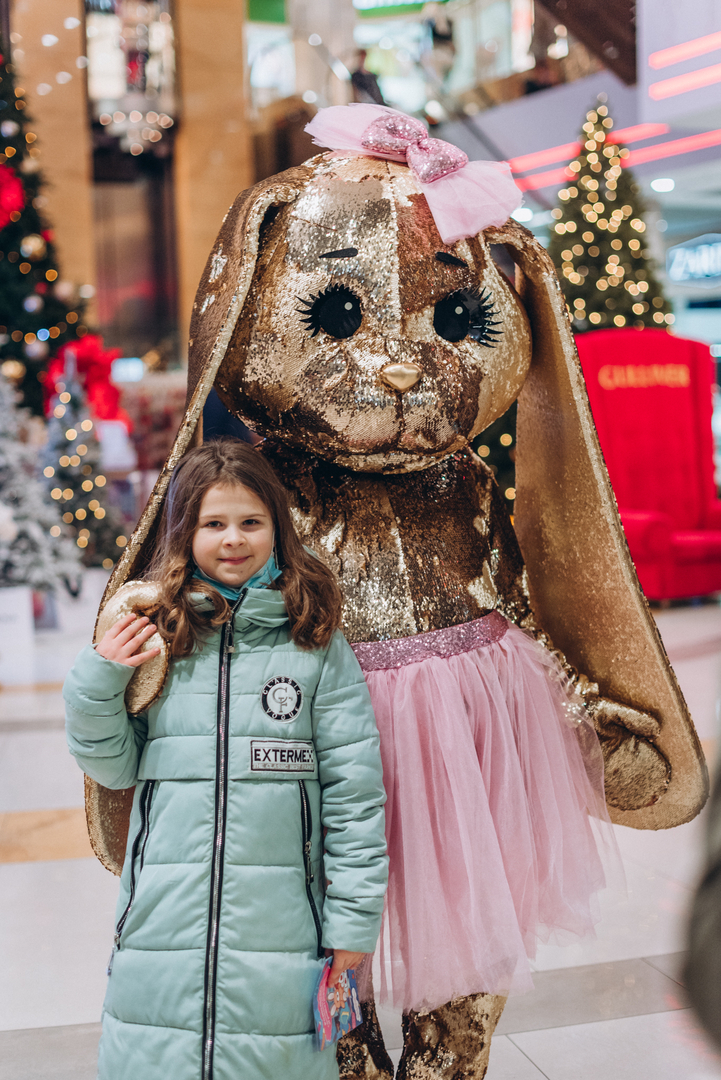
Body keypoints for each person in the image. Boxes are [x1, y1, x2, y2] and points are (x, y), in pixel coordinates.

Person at [63, 438, 388, 1080]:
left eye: (250, 522)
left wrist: (353, 925)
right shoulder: (163, 633)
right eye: (213, 523)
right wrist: (98, 677)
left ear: (277, 528)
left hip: (283, 931)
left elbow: (355, 797)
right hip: (162, 923)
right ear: (186, 533)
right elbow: (112, 765)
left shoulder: (314, 644)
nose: (233, 540)